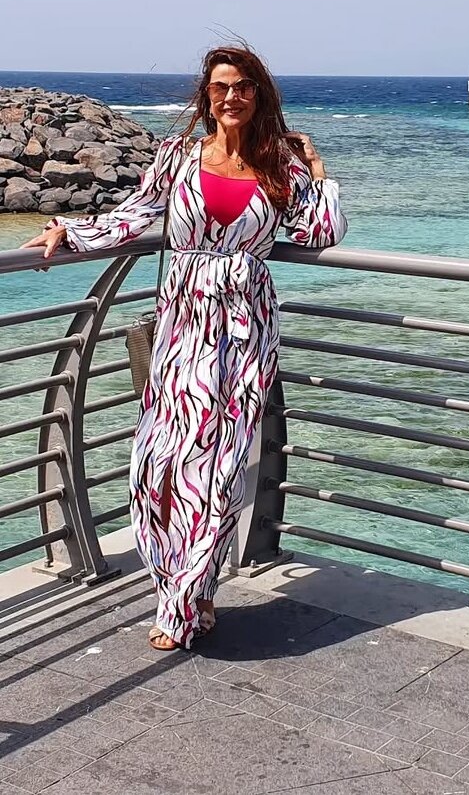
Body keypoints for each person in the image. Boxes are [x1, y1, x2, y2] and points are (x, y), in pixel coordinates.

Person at [21, 46, 348, 651]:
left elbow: (319, 232)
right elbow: (134, 216)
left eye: (244, 86)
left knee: (219, 470)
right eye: (222, 87)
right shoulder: (177, 157)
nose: (232, 96)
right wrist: (69, 232)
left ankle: (185, 602)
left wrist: (319, 171)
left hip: (246, 330)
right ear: (207, 97)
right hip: (183, 325)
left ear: (259, 96)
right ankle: (182, 584)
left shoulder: (280, 166)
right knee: (160, 463)